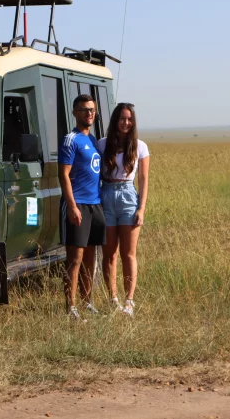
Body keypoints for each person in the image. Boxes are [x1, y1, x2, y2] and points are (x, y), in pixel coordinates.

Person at [97, 103, 150, 317]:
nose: (126, 123)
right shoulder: (101, 144)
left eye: (129, 119)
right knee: (109, 254)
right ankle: (113, 298)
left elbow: (144, 179)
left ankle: (129, 300)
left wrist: (141, 208)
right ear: (115, 120)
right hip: (106, 195)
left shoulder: (140, 146)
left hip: (128, 197)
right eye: (122, 119)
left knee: (128, 254)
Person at [58, 94, 106, 321]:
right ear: (75, 112)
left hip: (95, 205)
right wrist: (72, 206)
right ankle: (71, 307)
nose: (89, 114)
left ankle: (88, 302)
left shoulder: (94, 140)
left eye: (92, 110)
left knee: (91, 257)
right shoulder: (71, 139)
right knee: (74, 258)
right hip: (78, 205)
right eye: (85, 110)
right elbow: (63, 175)